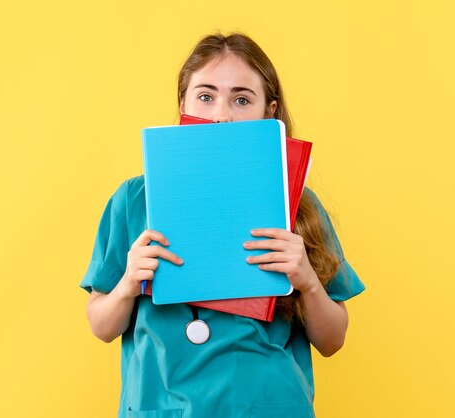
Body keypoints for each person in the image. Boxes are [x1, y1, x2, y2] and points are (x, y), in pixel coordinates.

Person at [80, 32, 365, 418]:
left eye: (242, 99)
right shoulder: (133, 199)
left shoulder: (297, 204)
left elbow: (333, 340)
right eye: (205, 95)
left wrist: (308, 282)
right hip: (162, 408)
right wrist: (128, 284)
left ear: (270, 111)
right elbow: (102, 326)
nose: (221, 114)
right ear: (183, 103)